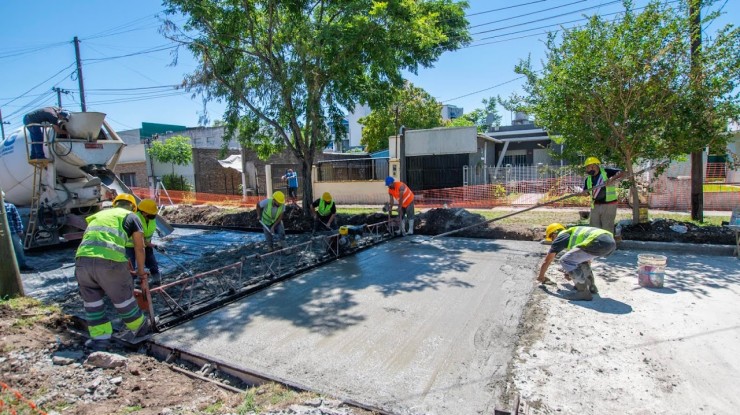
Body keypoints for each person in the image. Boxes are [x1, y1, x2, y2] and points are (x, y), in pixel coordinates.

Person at [74, 193, 151, 349]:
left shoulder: (98, 215)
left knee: (92, 302)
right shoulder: (131, 216)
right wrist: (141, 272)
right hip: (109, 262)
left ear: (115, 204)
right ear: (133, 207)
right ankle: (140, 327)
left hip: (82, 261)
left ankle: (100, 339)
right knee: (123, 298)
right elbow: (139, 247)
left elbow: (96, 238)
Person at [537, 223, 617, 301]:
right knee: (579, 260)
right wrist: (571, 273)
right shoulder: (574, 234)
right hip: (610, 243)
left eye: (551, 238)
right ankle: (591, 287)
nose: (552, 241)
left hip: (598, 241)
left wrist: (541, 277)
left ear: (554, 234)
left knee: (565, 260)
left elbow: (547, 260)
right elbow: (586, 261)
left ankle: (583, 292)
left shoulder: (561, 237)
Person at [125, 199, 161, 285]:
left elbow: (148, 234)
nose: (154, 215)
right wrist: (153, 245)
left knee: (152, 263)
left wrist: (151, 245)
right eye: (152, 213)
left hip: (146, 245)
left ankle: (156, 280)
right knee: (131, 267)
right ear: (144, 212)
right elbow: (139, 239)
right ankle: (131, 285)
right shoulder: (135, 219)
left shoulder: (152, 219)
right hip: (130, 246)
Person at [583, 157, 623, 233]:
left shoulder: (606, 172)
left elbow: (622, 172)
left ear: (594, 166)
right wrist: (584, 193)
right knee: (594, 228)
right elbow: (587, 192)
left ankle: (608, 244)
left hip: (609, 205)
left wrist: (612, 178)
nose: (586, 170)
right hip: (595, 206)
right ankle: (596, 243)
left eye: (587, 167)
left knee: (607, 228)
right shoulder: (588, 179)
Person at [2, 190, 32, 271]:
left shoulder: (10, 206)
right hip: (2, 235)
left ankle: (22, 265)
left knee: (18, 249)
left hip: (13, 232)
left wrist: (19, 230)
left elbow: (17, 219)